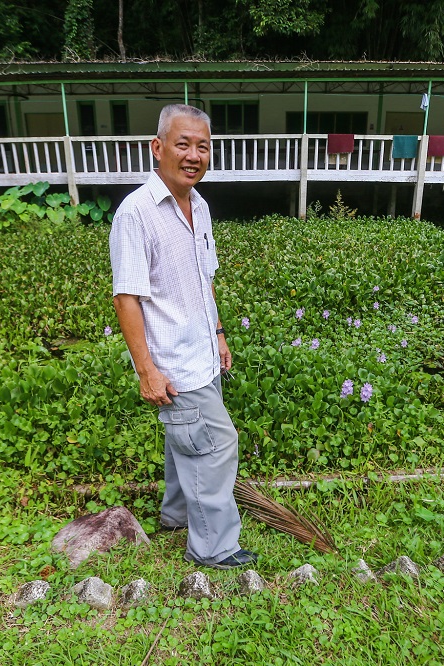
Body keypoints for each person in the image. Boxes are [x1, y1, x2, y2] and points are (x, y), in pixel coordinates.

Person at [109, 104, 258, 570]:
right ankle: (213, 546)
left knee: (186, 442)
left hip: (203, 353)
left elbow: (203, 277)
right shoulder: (136, 213)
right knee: (216, 444)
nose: (194, 155)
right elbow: (126, 298)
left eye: (203, 147)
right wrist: (146, 371)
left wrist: (219, 333)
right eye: (183, 144)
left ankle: (176, 516)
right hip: (174, 363)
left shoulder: (201, 206)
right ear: (158, 148)